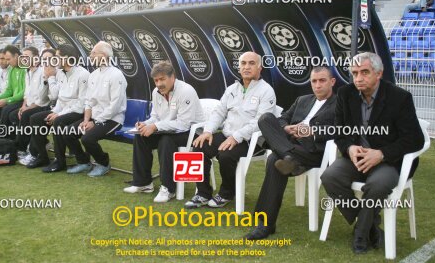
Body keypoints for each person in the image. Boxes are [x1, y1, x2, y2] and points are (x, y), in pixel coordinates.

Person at [321, 52, 425, 254]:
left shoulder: (400, 98)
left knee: (377, 185)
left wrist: (381, 153)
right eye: (354, 73)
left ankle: (361, 232)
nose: (358, 78)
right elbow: (339, 131)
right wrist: (350, 148)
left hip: (388, 161)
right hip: (356, 159)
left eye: (364, 72)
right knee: (330, 177)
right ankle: (369, 225)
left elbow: (414, 139)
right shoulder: (345, 94)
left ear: (379, 73)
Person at [244, 67, 337, 240]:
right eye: (314, 81)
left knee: (273, 160)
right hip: (291, 145)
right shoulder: (302, 100)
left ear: (332, 82)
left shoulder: (340, 104)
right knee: (265, 118)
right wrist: (287, 128)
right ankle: (288, 156)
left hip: (314, 152)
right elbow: (281, 119)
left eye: (322, 80)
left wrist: (310, 131)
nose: (317, 85)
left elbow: (340, 130)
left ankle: (265, 224)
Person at [184, 52, 276, 209]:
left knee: (226, 155)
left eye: (251, 63)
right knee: (199, 147)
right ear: (239, 67)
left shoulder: (266, 91)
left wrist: (237, 137)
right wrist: (208, 131)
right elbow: (219, 112)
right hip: (227, 135)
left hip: (251, 140)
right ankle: (203, 193)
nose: (247, 67)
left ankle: (227, 193)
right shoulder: (232, 88)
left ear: (259, 67)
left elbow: (260, 122)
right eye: (244, 63)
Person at [124, 61, 204, 202]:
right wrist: (145, 124)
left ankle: (168, 189)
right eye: (156, 80)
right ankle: (143, 183)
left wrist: (155, 127)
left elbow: (184, 124)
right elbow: (155, 116)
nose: (159, 84)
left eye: (162, 79)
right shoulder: (156, 92)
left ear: (172, 77)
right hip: (168, 129)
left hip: (192, 133)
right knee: (141, 137)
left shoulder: (186, 91)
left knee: (166, 141)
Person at [63, 41, 127, 177]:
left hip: (112, 119)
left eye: (93, 53)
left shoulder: (116, 75)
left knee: (87, 139)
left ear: (103, 55)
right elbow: (89, 101)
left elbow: (114, 107)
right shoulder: (93, 75)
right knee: (68, 132)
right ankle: (84, 162)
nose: (90, 55)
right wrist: (86, 119)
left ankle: (104, 163)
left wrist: (95, 122)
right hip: (94, 117)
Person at [26, 45, 89, 172]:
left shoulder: (83, 74)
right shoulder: (60, 73)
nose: (55, 60)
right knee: (35, 118)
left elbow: (82, 103)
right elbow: (58, 97)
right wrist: (49, 77)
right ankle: (42, 157)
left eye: (57, 57)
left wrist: (58, 115)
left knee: (58, 121)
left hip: (79, 112)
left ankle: (60, 162)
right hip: (63, 111)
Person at [10, 47, 51, 165]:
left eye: (27, 56)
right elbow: (27, 94)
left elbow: (42, 98)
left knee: (27, 115)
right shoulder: (28, 72)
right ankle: (31, 144)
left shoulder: (42, 72)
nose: (24, 58)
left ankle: (24, 149)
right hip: (31, 105)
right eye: (23, 56)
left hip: (41, 106)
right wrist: (23, 106)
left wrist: (27, 108)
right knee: (14, 115)